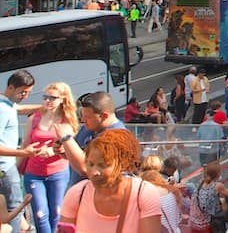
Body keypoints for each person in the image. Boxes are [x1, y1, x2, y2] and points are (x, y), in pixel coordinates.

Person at [58, 129, 162, 233]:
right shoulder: (77, 194)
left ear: (122, 164)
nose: (95, 172)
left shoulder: (143, 194)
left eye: (102, 166)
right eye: (90, 164)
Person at [24, 81, 79, 233]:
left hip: (58, 171)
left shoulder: (67, 120)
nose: (48, 101)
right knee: (40, 214)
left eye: (52, 98)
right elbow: (25, 145)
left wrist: (53, 151)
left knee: (56, 213)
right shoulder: (34, 118)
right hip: (34, 172)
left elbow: (70, 146)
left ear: (62, 99)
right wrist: (17, 166)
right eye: (45, 97)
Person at [0, 70, 50, 223]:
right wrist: (24, 152)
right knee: (13, 208)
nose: (25, 96)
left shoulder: (6, 105)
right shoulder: (3, 110)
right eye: (22, 92)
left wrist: (41, 107)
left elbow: (19, 109)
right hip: (5, 169)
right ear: (11, 87)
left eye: (28, 92)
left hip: (5, 168)